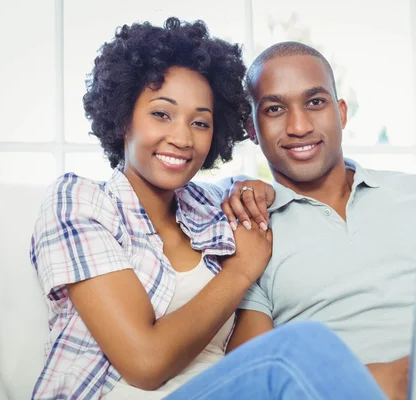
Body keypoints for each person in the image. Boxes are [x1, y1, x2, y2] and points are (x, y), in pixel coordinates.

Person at [30, 19, 387, 400]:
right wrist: (239, 271)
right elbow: (144, 362)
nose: (182, 138)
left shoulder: (211, 207)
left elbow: (250, 193)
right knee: (298, 350)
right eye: (161, 114)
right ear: (122, 119)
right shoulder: (80, 201)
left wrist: (256, 188)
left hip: (222, 388)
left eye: (200, 122)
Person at [220, 41, 416, 400]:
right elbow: (255, 375)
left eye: (315, 102)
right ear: (252, 128)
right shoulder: (252, 230)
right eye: (274, 109)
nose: (299, 126)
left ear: (342, 112)